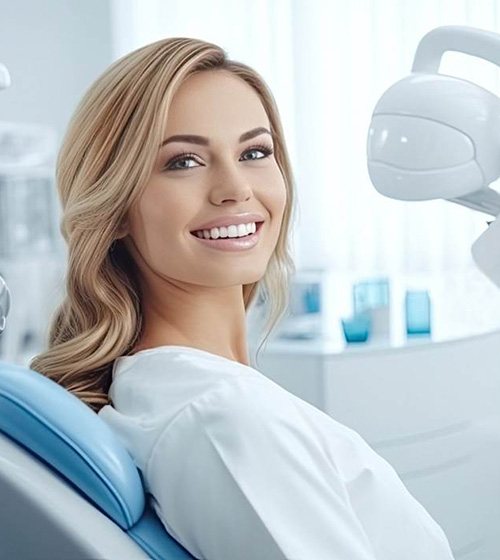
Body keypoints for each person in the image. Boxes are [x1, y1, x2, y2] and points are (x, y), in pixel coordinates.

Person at [29, 37, 455, 559]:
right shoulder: (224, 415)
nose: (235, 189)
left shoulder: (186, 393)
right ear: (114, 208)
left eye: (255, 153)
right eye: (183, 162)